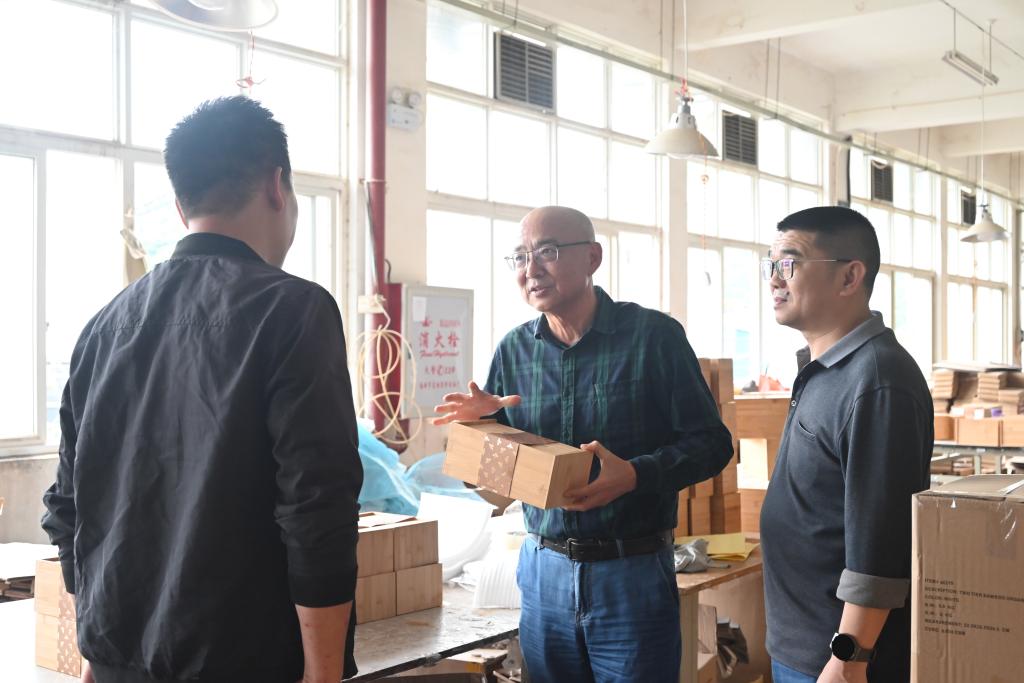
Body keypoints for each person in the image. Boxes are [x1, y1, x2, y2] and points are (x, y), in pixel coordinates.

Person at [41, 96, 363, 683]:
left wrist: (96, 652)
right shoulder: (293, 311)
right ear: (277, 186)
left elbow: (68, 508)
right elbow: (317, 509)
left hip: (118, 663)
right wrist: (323, 675)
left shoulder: (103, 327)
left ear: (181, 202)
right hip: (243, 662)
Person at [434, 206, 733, 682]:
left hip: (630, 571)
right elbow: (499, 479)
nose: (531, 269)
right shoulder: (514, 350)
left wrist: (635, 475)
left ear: (593, 257)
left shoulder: (653, 337)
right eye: (519, 257)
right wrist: (480, 429)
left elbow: (712, 444)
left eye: (547, 252)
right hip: (543, 572)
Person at [759, 206, 933, 683]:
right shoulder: (825, 371)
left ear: (849, 277)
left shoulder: (877, 380)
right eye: (770, 265)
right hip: (801, 646)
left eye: (789, 263)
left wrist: (850, 657)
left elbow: (880, 542)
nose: (774, 280)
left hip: (839, 659)